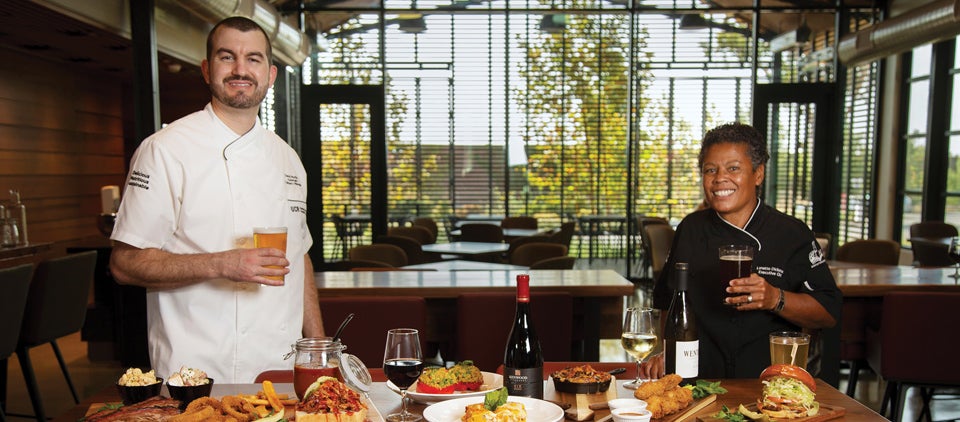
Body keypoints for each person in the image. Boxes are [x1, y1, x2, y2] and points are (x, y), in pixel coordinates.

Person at [109, 16, 324, 383]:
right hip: (193, 370)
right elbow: (125, 264)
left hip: (279, 367)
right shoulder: (164, 150)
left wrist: (319, 345)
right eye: (228, 57)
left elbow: (298, 254)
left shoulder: (288, 159)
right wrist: (222, 264)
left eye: (253, 59)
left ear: (270, 75)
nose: (241, 69)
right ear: (207, 71)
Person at [641, 122, 841, 379]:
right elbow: (669, 302)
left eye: (733, 168)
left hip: (767, 381)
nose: (719, 178)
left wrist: (774, 298)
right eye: (710, 170)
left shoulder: (791, 233)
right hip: (698, 380)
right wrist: (667, 352)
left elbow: (828, 313)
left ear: (758, 174)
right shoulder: (691, 228)